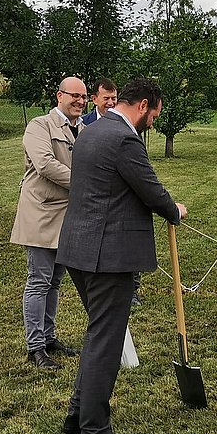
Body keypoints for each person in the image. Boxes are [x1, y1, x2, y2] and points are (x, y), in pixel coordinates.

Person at [55, 77, 187, 434]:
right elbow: (150, 189)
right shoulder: (125, 138)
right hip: (106, 257)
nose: (154, 123)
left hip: (78, 250)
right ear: (143, 105)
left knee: (98, 333)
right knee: (106, 341)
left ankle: (77, 414)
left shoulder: (93, 132)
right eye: (154, 115)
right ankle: (94, 432)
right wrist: (173, 210)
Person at [10, 77, 87, 370]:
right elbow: (44, 165)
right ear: (59, 96)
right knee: (39, 281)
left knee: (55, 282)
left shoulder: (84, 129)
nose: (80, 101)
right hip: (41, 215)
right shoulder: (38, 126)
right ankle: (35, 348)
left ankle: (49, 338)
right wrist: (85, 183)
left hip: (68, 216)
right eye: (74, 96)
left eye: (84, 97)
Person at [81, 78, 143, 306]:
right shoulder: (84, 124)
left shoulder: (130, 126)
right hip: (95, 199)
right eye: (105, 98)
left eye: (113, 98)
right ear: (94, 99)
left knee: (131, 238)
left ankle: (132, 289)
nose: (109, 102)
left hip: (122, 197)